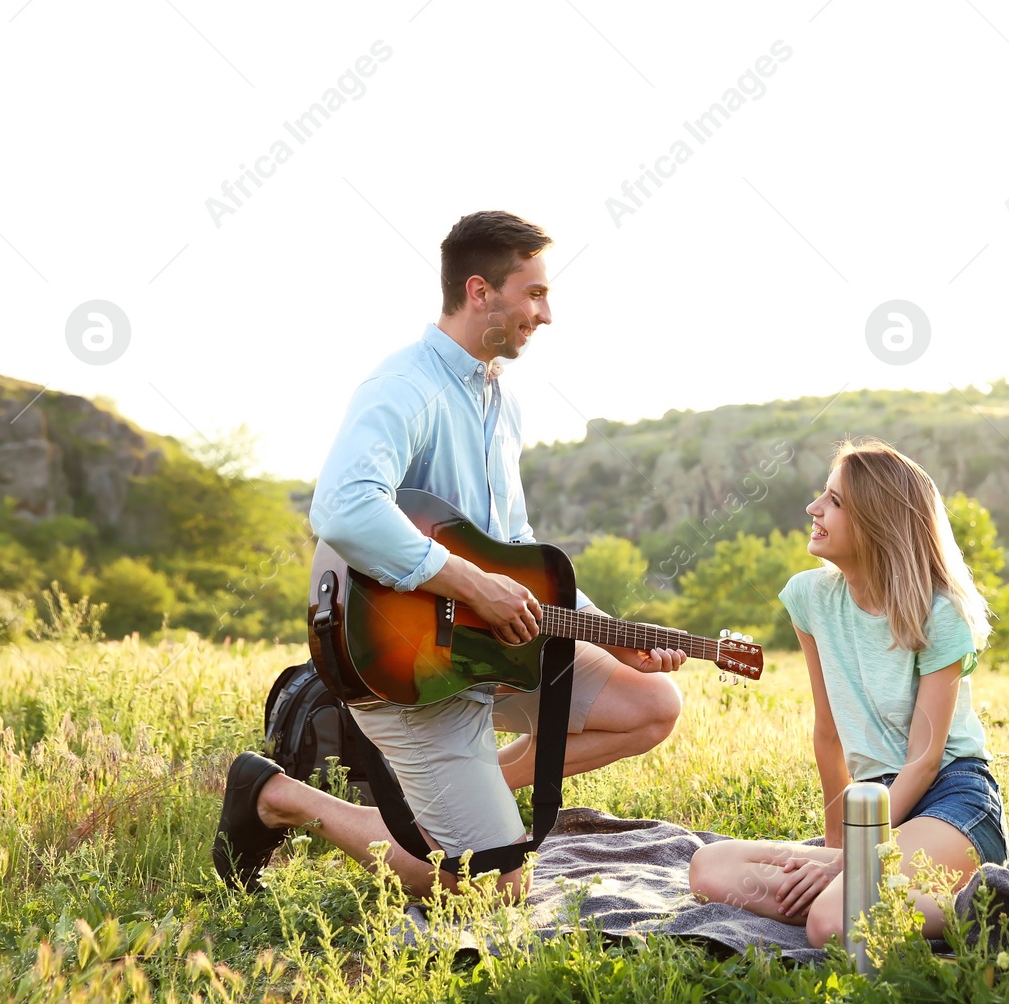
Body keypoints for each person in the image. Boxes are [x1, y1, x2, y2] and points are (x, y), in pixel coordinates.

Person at [213, 210, 687, 899]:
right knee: (493, 888)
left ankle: (459, 795)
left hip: (486, 651)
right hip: (404, 663)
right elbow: (342, 506)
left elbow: (519, 551)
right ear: (478, 291)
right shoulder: (404, 386)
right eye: (534, 294)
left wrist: (613, 636)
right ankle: (280, 795)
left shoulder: (502, 401)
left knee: (653, 700)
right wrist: (472, 585)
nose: (547, 313)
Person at [688, 439, 1007, 947]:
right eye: (823, 495)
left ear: (876, 522)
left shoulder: (939, 614)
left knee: (832, 922)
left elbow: (924, 763)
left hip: (950, 800)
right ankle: (896, 899)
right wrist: (839, 848)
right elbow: (828, 731)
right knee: (709, 868)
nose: (814, 509)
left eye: (835, 502)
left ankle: (997, 903)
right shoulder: (809, 598)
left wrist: (846, 861)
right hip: (870, 810)